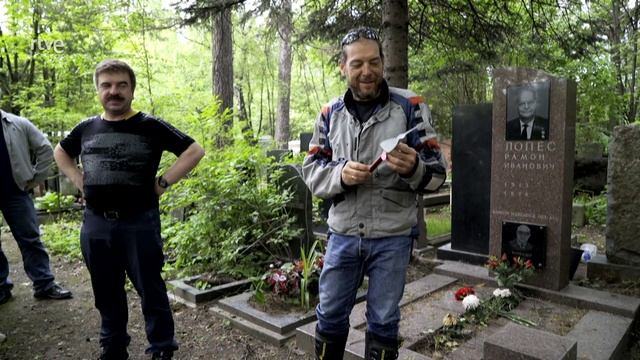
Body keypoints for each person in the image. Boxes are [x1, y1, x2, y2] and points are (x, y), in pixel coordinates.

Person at [302, 27, 447, 360]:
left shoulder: (410, 105)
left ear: (383, 63)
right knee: (330, 315)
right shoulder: (329, 114)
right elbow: (311, 171)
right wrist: (340, 174)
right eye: (357, 64)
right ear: (343, 67)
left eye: (373, 62)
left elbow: (437, 173)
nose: (366, 71)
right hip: (343, 234)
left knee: (383, 321)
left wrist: (414, 168)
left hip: (392, 236)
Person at [54, 60, 205, 360]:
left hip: (140, 223)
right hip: (95, 225)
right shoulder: (86, 128)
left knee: (150, 290)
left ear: (132, 90)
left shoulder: (150, 125)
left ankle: (162, 348)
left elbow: (194, 150)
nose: (114, 91)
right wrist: (79, 181)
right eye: (107, 85)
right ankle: (113, 347)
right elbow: (60, 151)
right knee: (106, 291)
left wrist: (162, 182)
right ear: (98, 90)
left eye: (122, 85)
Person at [0, 109, 72, 304]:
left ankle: (44, 285)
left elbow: (45, 149)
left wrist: (35, 178)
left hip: (16, 192)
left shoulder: (17, 123)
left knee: (30, 239)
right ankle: (1, 287)